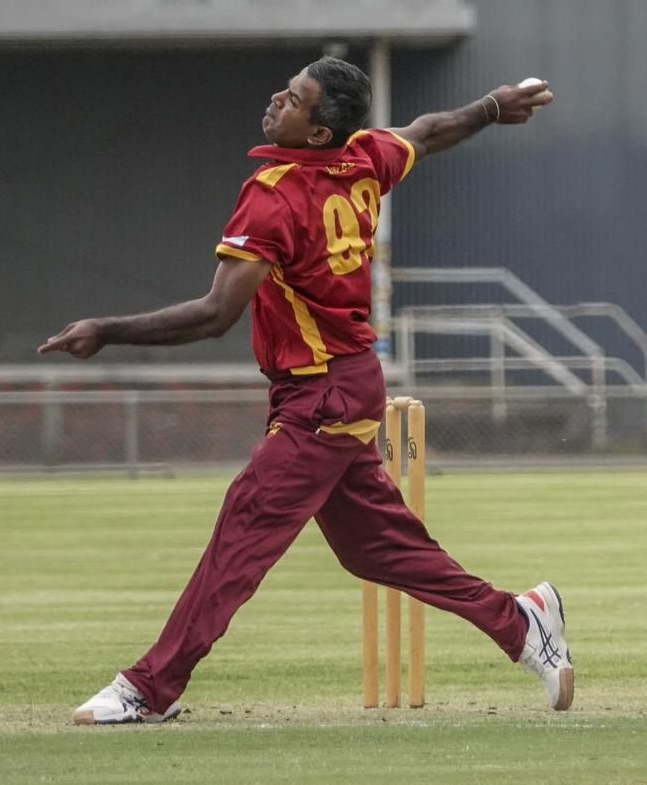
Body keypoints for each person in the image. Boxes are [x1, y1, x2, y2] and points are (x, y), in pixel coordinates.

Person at [38, 57, 573, 724]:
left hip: (322, 396)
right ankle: (522, 623)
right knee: (372, 547)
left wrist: (104, 330)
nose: (276, 100)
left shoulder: (275, 193)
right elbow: (431, 131)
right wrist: (492, 107)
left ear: (320, 133)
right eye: (287, 90)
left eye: (293, 99)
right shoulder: (366, 155)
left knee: (244, 529)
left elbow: (215, 316)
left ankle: (149, 688)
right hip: (341, 386)